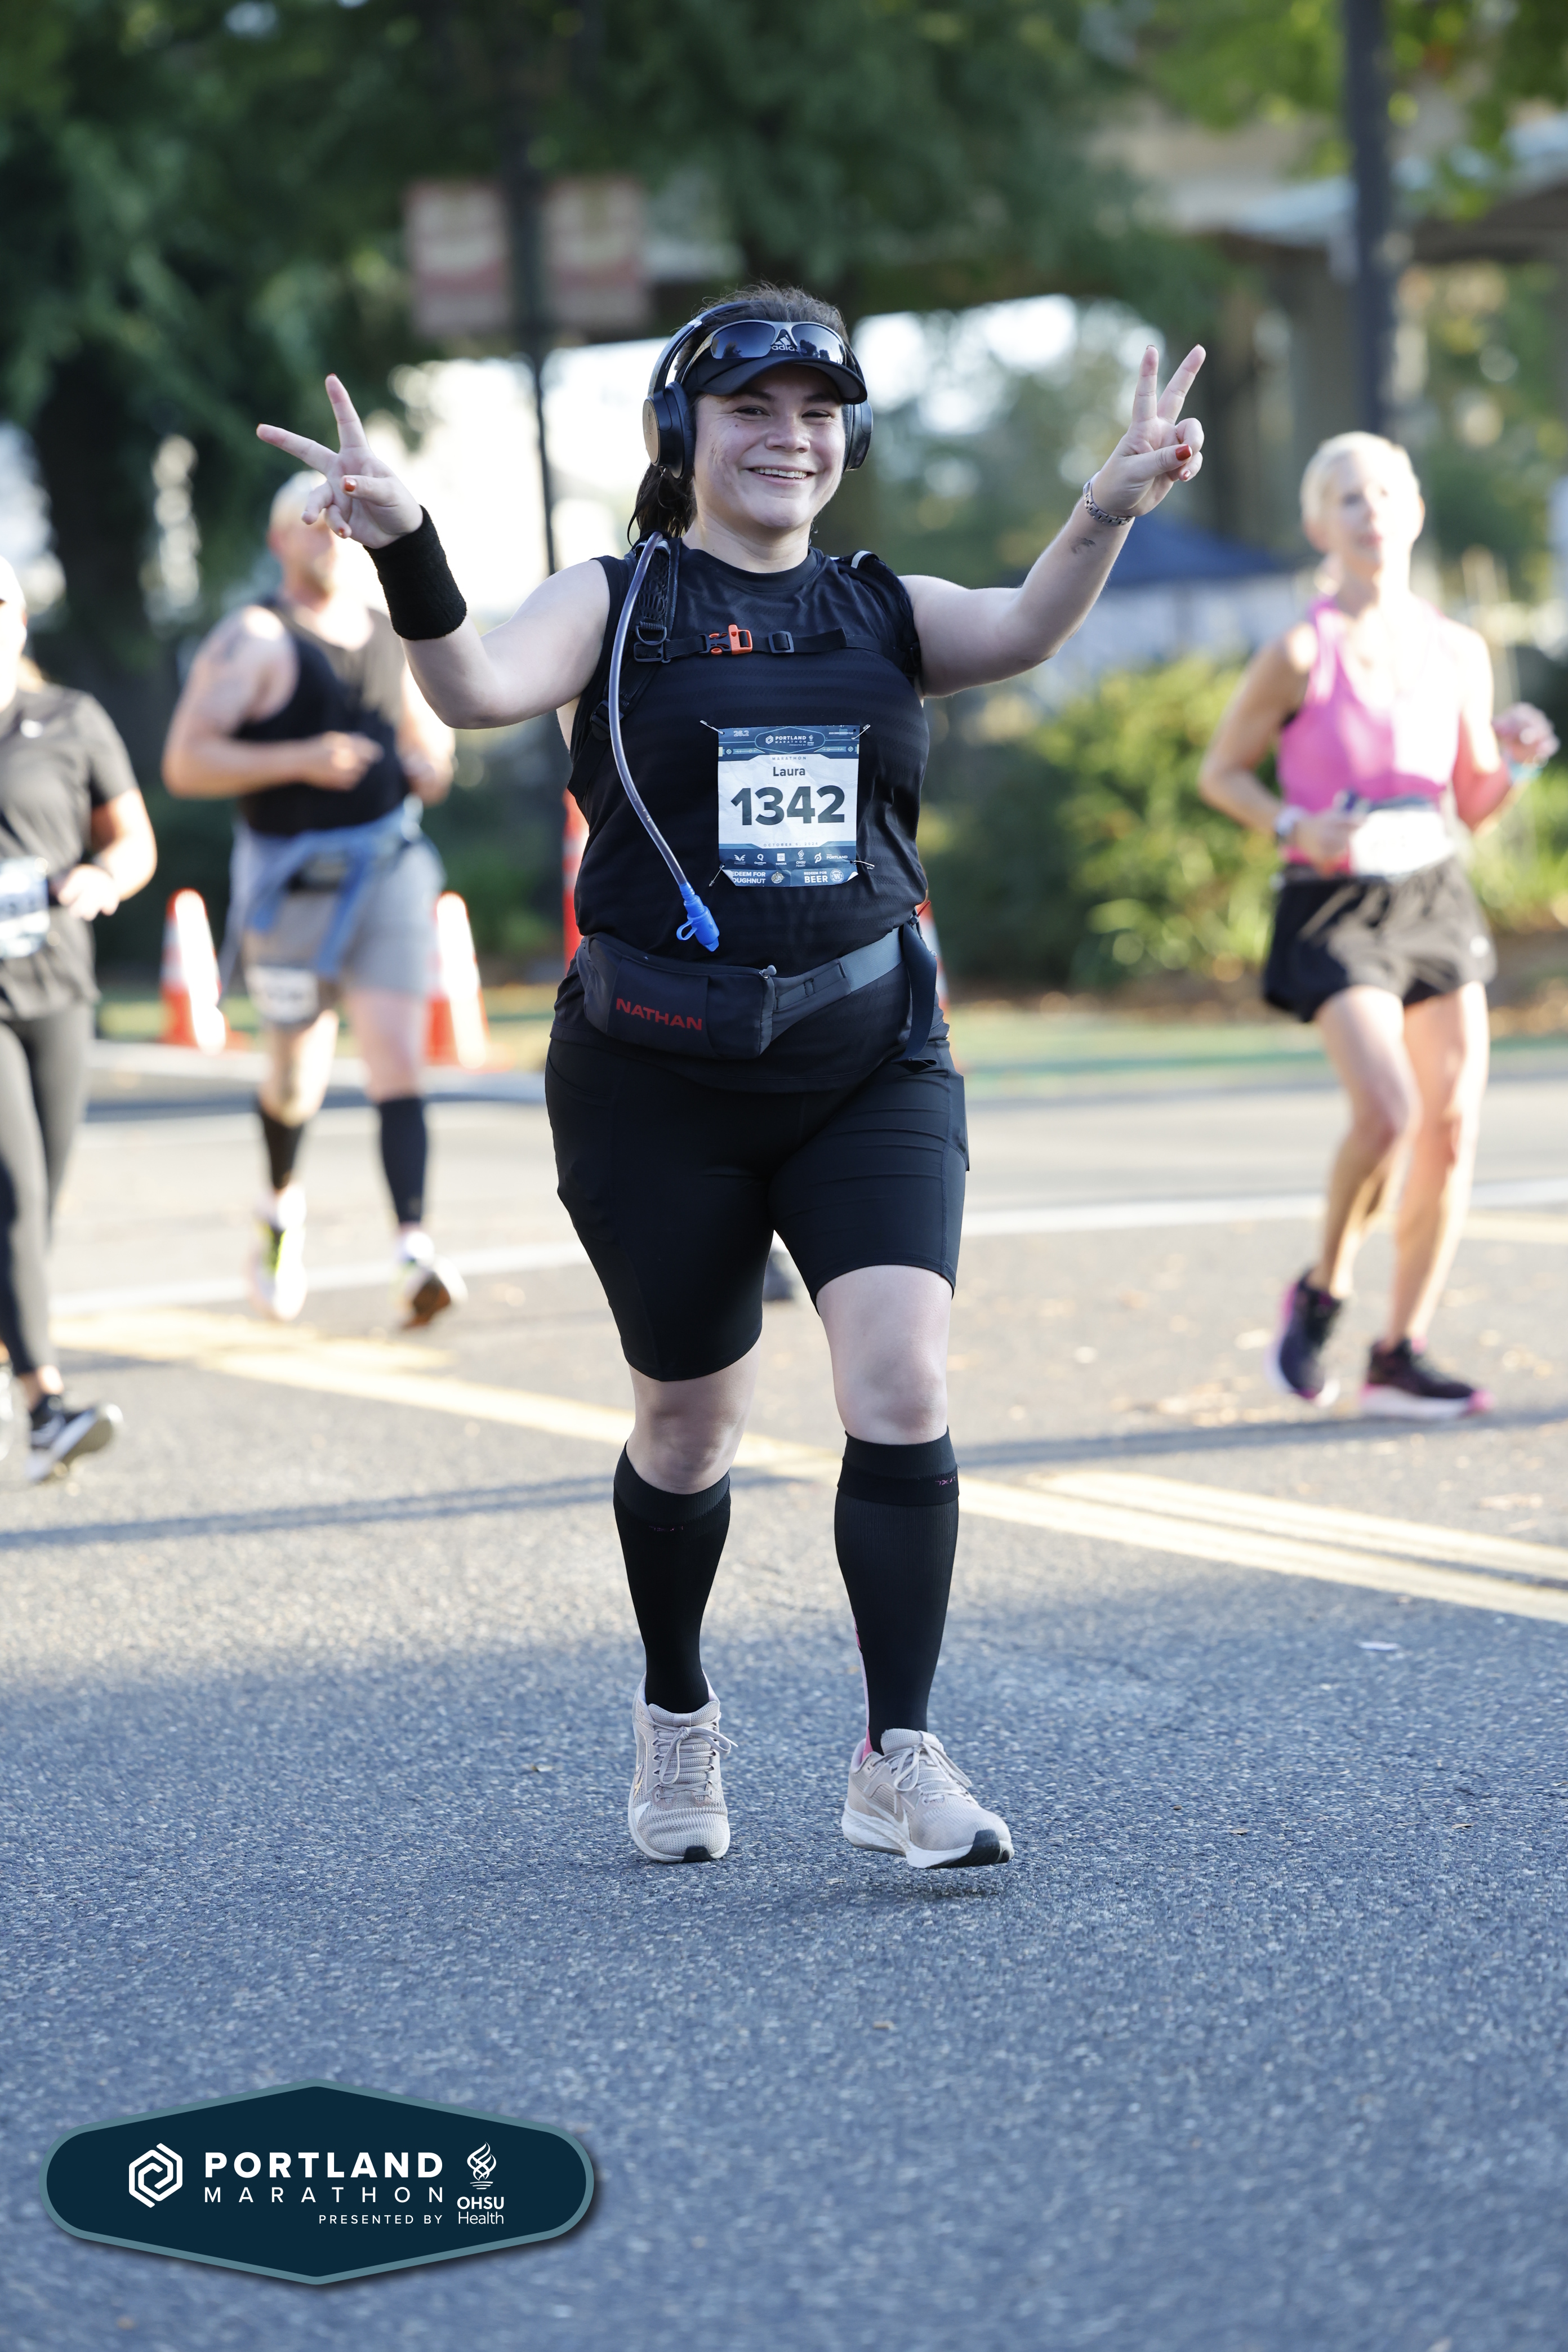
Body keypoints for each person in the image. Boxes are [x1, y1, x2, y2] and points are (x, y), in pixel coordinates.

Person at [255, 288, 1205, 1867]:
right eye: (753, 409)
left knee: (901, 1384)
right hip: (655, 1077)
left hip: (869, 1057)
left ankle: (899, 1754)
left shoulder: (881, 607)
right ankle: (677, 1708)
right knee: (689, 1427)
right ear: (683, 433)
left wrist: (1104, 505)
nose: (790, 438)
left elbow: (1028, 624)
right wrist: (410, 542)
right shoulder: (618, 600)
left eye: (819, 413)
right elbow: (474, 685)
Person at [1199, 431, 1557, 1419]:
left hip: (1435, 895)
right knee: (1390, 1112)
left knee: (1451, 1129)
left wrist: (1517, 760)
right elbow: (1221, 773)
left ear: (1416, 510)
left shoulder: (1459, 650)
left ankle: (1400, 1353)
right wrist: (1292, 824)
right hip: (1334, 903)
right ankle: (1323, 1292)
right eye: (1349, 498)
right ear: (1320, 524)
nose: (1373, 512)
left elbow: (1472, 800)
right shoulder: (1299, 650)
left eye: (1388, 492)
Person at [163, 474, 465, 1327]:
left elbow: (434, 750)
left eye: (339, 524)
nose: (327, 537)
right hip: (293, 884)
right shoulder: (254, 638)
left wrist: (429, 767)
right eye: (308, 525)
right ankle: (279, 1212)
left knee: (398, 1057)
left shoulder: (390, 631)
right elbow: (185, 764)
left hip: (389, 866)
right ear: (279, 542)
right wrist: (299, 760)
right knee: (296, 1079)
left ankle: (413, 1251)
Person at [0, 558, 157, 1481]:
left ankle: (16, 1354)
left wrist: (104, 876)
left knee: (39, 1200)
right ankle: (45, 1410)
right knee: (15, 1193)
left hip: (58, 985)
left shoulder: (70, 719)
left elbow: (133, 840)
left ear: (20, 617)